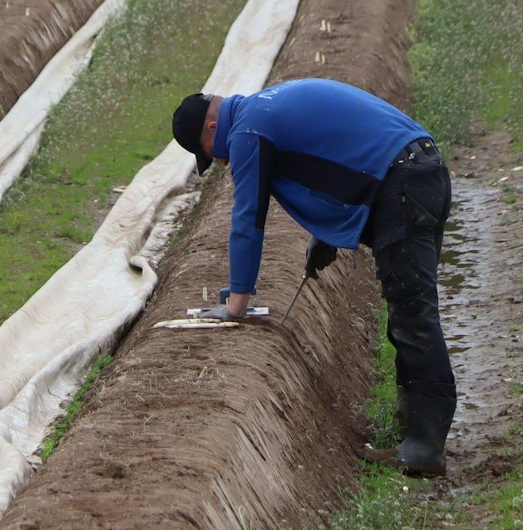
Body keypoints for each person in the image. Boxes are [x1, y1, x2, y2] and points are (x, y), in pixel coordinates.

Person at [171, 80, 455, 477]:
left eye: (209, 154)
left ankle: (425, 445)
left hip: (404, 181)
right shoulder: (265, 106)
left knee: (413, 310)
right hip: (420, 168)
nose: (220, 163)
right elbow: (336, 154)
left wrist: (236, 303)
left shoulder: (247, 130)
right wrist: (327, 233)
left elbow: (248, 218)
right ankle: (412, 424)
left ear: (212, 129)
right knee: (408, 304)